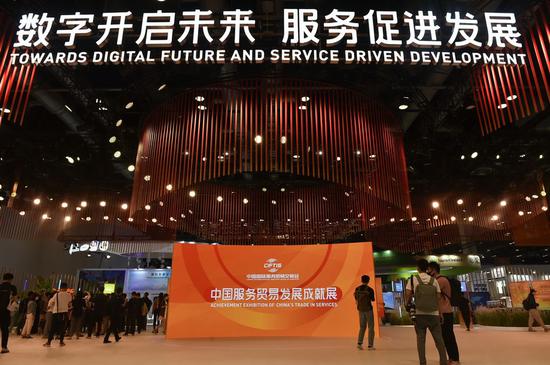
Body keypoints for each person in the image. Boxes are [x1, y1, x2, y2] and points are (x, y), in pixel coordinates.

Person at [406, 259, 447, 365]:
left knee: (421, 340)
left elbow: (408, 295)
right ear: (427, 268)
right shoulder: (434, 281)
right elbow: (438, 299)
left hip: (419, 314)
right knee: (439, 340)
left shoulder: (413, 279)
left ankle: (423, 362)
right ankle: (443, 361)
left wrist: (408, 305)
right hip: (433, 314)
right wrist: (440, 313)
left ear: (417, 268)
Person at [428, 261, 460, 364]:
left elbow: (431, 292)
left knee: (448, 336)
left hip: (445, 312)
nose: (428, 271)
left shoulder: (440, 280)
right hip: (444, 311)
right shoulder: (438, 280)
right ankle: (451, 357)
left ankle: (454, 358)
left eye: (429, 269)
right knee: (445, 336)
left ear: (434, 270)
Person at [44, 283, 72, 347]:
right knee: (62, 328)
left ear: (61, 287)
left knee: (52, 328)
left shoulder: (56, 295)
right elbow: (69, 303)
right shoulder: (69, 295)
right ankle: (61, 342)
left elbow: (51, 302)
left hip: (56, 312)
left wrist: (49, 308)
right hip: (64, 313)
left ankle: (48, 342)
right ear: (66, 287)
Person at [354, 274, 375, 350]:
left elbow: (356, 298)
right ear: (368, 281)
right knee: (371, 327)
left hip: (360, 309)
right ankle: (370, 345)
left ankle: (359, 344)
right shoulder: (370, 289)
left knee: (362, 327)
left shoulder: (357, 289)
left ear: (361, 280)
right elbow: (373, 299)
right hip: (369, 309)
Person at [0, 273, 17, 354]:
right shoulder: (13, 288)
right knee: (5, 329)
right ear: (11, 279)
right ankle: (4, 347)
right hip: (6, 311)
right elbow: (14, 300)